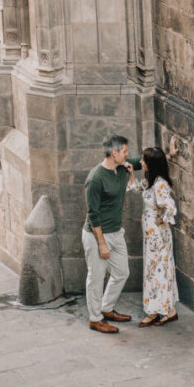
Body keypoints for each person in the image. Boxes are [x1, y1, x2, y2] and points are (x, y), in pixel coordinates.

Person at [82, 135, 141, 334]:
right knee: (96, 278)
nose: (127, 155)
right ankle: (95, 318)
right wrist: (102, 244)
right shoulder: (95, 179)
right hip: (98, 235)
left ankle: (107, 308)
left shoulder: (123, 166)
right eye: (124, 151)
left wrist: (169, 154)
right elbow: (93, 214)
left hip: (116, 232)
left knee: (122, 272)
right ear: (114, 153)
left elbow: (144, 161)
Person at [139, 144, 179, 327]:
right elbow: (139, 188)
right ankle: (165, 310)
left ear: (151, 164)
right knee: (154, 270)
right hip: (151, 235)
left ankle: (160, 310)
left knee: (158, 271)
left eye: (143, 160)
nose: (141, 162)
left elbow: (171, 206)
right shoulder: (151, 180)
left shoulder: (160, 184)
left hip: (158, 235)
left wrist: (162, 219)